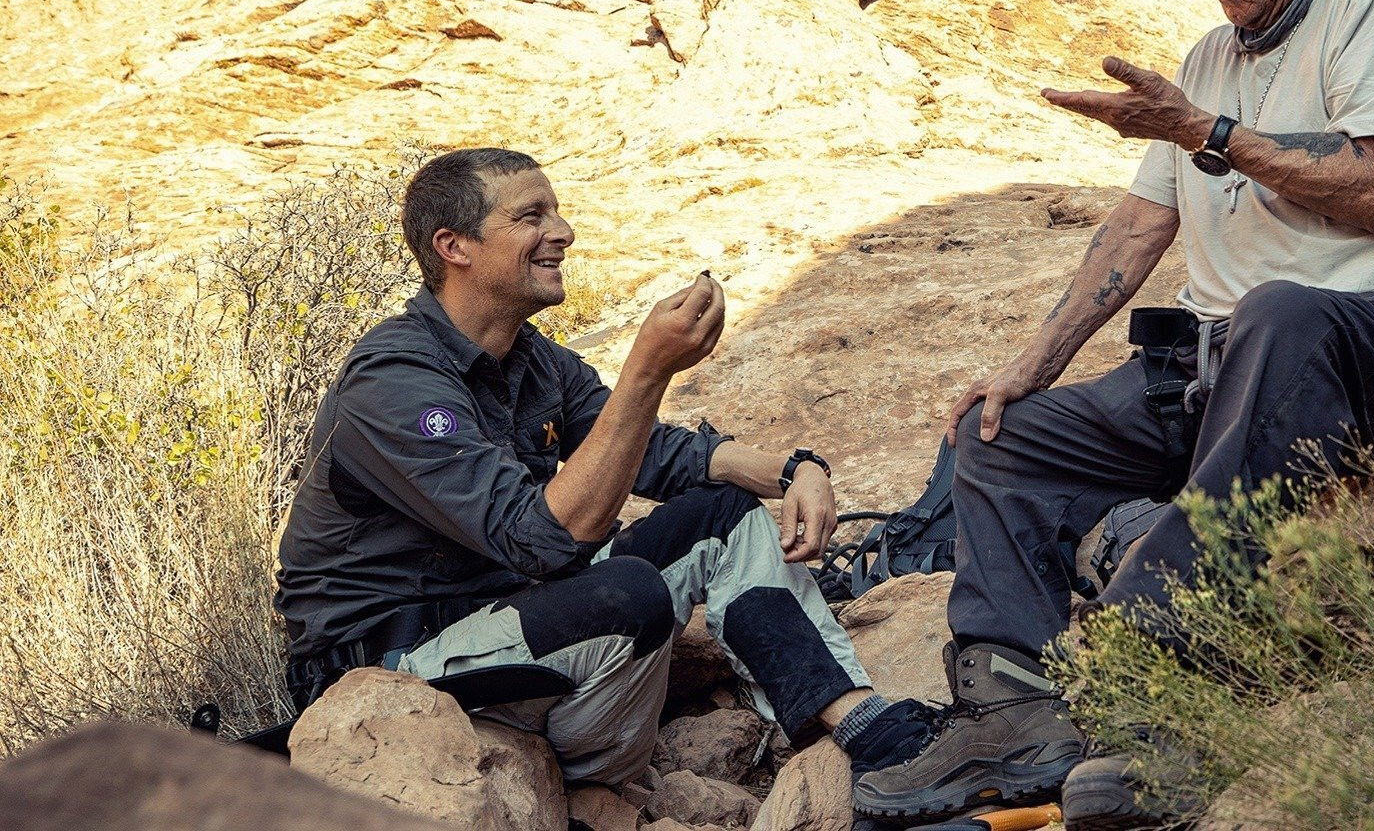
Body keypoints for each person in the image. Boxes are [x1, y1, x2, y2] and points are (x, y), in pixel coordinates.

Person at [854, 0, 1374, 828]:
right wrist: (1029, 366)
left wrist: (1207, 131)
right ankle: (1017, 718)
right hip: (1222, 368)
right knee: (995, 439)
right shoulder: (1208, 57)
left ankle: (1162, 692)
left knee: (1278, 313)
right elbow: (1141, 226)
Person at [274, 148, 931, 787]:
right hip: (391, 669)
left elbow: (657, 451)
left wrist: (793, 471)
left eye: (556, 214)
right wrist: (647, 368)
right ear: (455, 247)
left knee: (723, 515)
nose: (562, 232)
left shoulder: (534, 361)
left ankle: (856, 725)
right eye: (532, 217)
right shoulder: (393, 379)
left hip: (505, 625)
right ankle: (588, 777)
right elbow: (540, 539)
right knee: (627, 594)